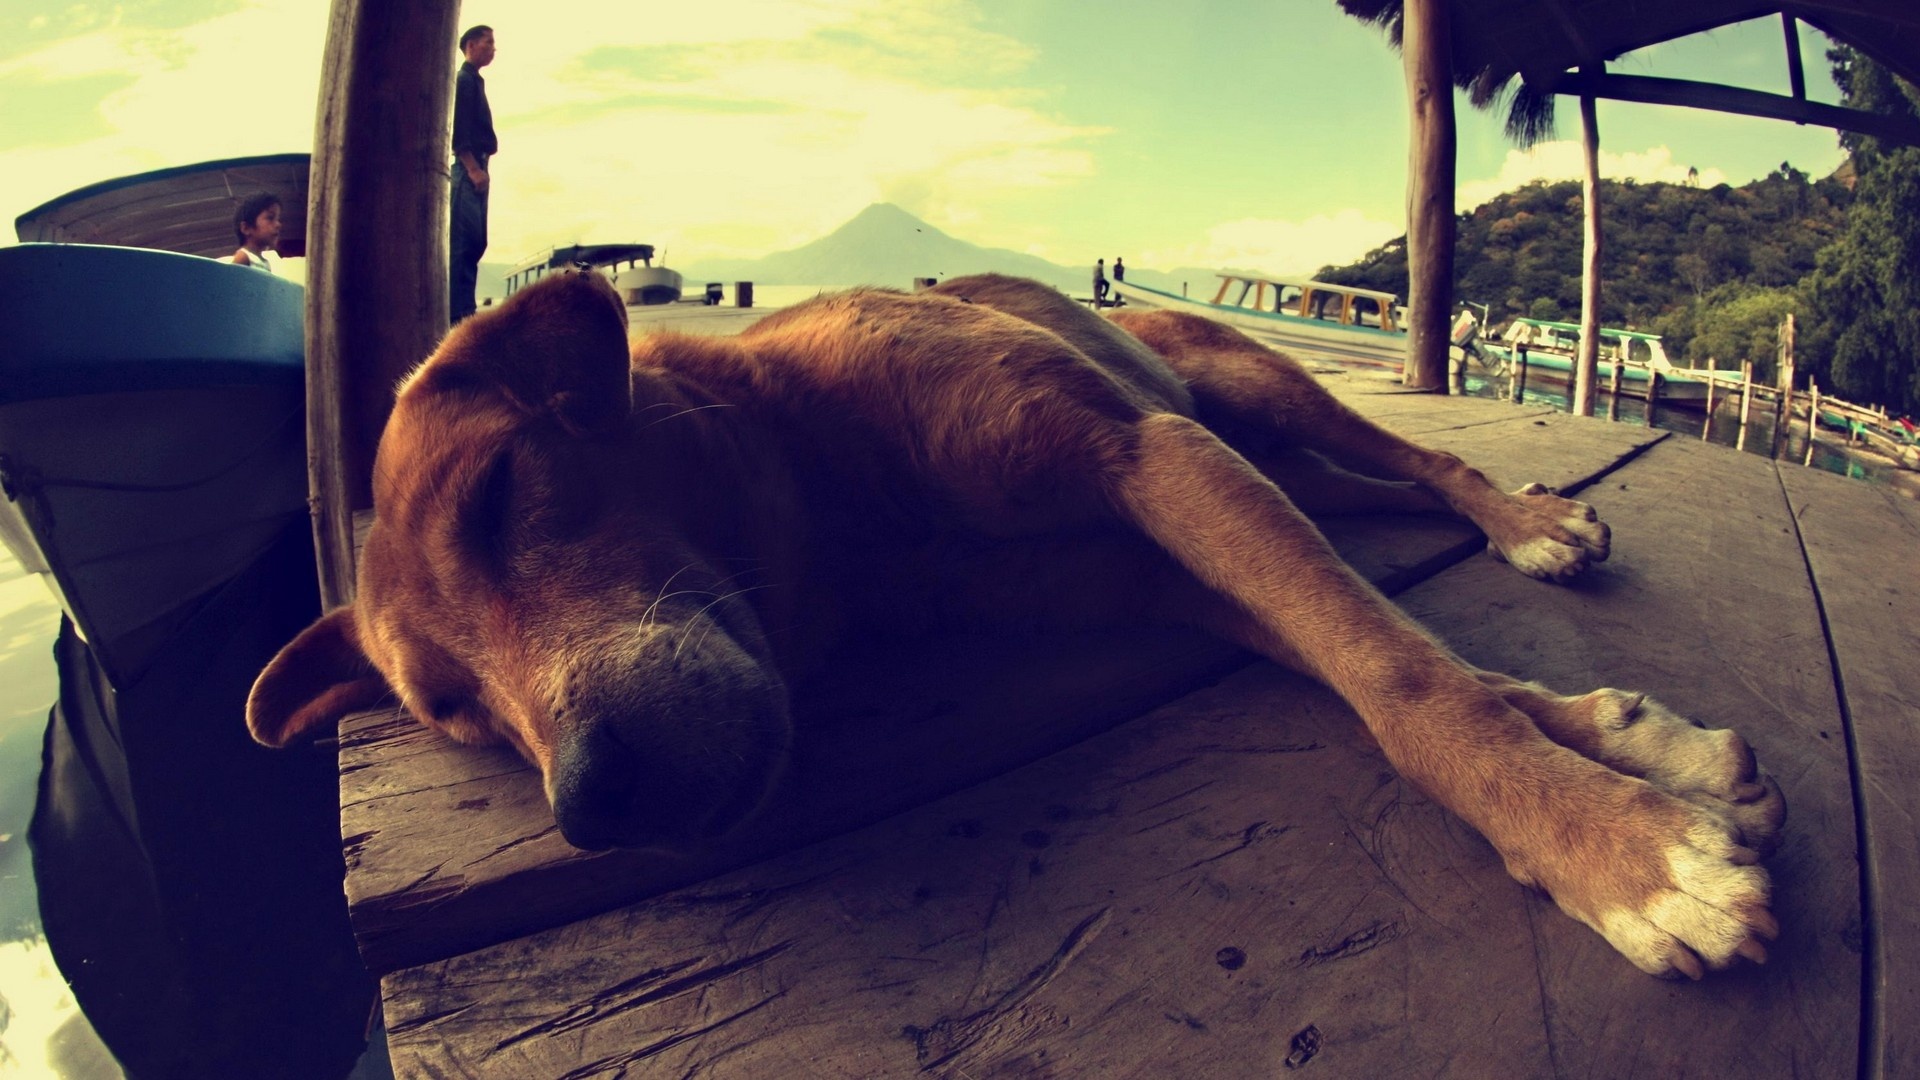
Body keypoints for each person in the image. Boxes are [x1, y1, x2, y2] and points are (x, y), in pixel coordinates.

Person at [450, 24, 498, 324]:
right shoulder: (464, 81)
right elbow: (459, 131)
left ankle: (464, 308)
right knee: (464, 242)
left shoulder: (475, 81)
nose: (493, 48)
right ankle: (458, 314)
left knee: (477, 241)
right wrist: (472, 168)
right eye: (488, 41)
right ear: (470, 45)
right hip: (469, 168)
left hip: (479, 166)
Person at [230, 193, 281, 272]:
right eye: (270, 218)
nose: (278, 224)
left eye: (278, 219)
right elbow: (233, 282)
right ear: (246, 228)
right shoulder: (243, 257)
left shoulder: (265, 263)